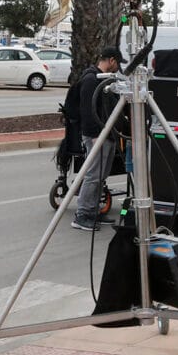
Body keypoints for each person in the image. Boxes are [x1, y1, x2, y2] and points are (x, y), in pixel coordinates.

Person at [72, 46, 124, 231]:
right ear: (111, 60)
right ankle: (83, 214)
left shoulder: (104, 80)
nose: (118, 67)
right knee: (93, 175)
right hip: (97, 135)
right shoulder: (91, 80)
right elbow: (87, 110)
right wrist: (95, 135)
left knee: (100, 175)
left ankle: (93, 212)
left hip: (107, 133)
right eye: (117, 63)